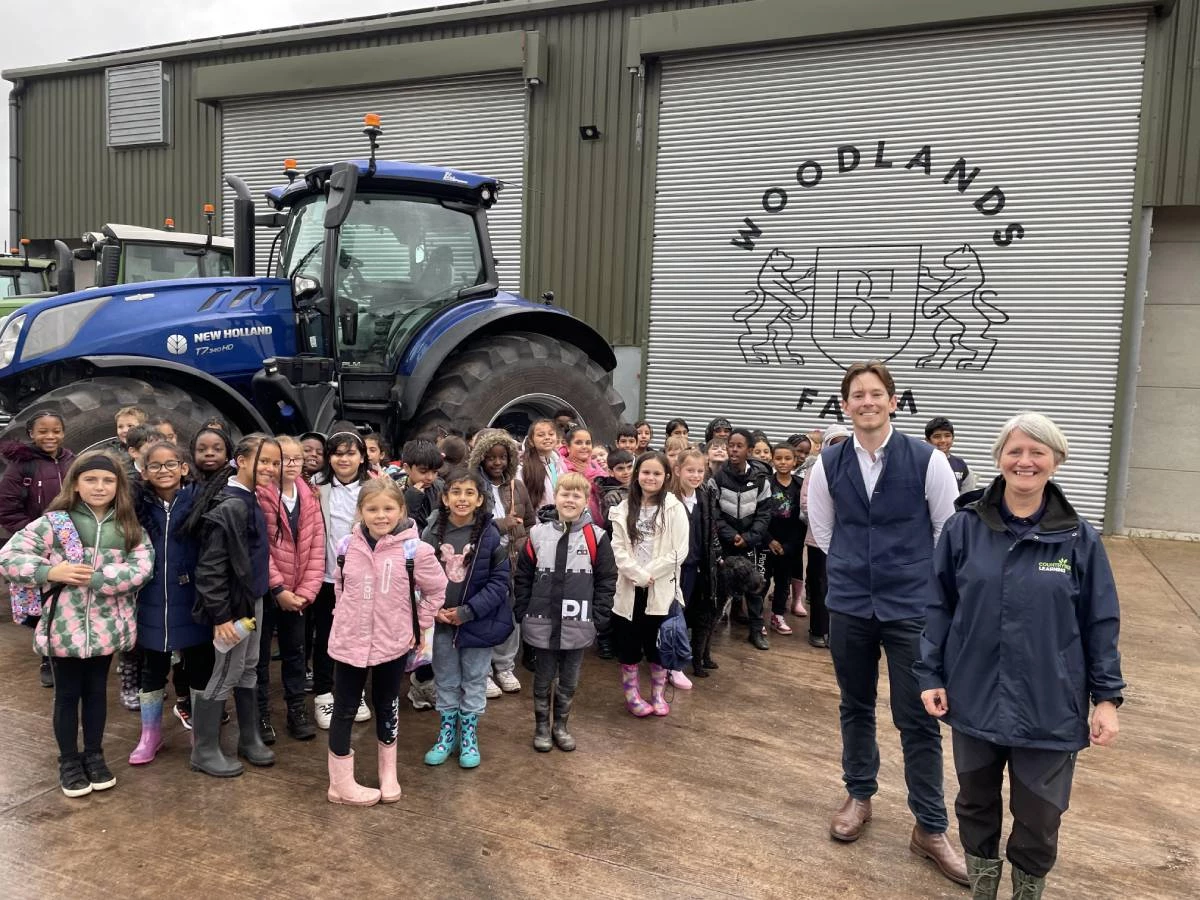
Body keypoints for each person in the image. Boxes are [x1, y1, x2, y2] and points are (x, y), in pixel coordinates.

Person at [916, 412, 1123, 899]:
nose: (1024, 461)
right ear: (999, 459)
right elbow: (938, 606)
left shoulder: (1079, 539)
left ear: (1055, 461)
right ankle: (983, 890)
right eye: (1015, 451)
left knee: (1040, 815)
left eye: (1037, 452)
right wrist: (930, 674)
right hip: (974, 696)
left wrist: (1107, 698)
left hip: (1049, 705)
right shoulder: (964, 528)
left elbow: (1101, 621)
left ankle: (1027, 892)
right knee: (975, 803)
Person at [806, 361, 966, 886]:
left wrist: (916, 583)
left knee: (918, 716)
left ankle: (931, 826)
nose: (867, 402)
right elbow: (824, 533)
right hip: (851, 604)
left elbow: (947, 531)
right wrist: (857, 572)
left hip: (910, 608)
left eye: (877, 394)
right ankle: (859, 795)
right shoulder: (827, 464)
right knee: (854, 704)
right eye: (858, 395)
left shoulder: (928, 461)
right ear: (845, 404)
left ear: (893, 402)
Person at [0, 451, 153, 797]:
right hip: (63, 627)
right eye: (91, 479)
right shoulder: (54, 523)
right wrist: (49, 571)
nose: (99, 487)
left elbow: (142, 569)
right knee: (67, 695)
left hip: (106, 628)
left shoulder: (128, 527)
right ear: (76, 484)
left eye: (107, 480)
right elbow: (9, 557)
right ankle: (69, 760)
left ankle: (95, 756)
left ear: (119, 486)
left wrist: (95, 578)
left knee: (97, 693)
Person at [326, 479, 448, 805]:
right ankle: (339, 783)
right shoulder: (345, 548)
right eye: (372, 509)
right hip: (349, 642)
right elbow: (340, 588)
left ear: (401, 510)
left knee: (387, 704)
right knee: (345, 708)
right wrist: (343, 617)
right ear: (361, 512)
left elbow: (436, 590)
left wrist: (417, 625)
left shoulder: (415, 551)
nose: (381, 516)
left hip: (393, 642)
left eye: (388, 509)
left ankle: (387, 772)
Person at [187, 433, 281, 777]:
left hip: (252, 601)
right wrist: (221, 615)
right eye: (264, 461)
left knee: (250, 666)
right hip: (234, 607)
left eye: (274, 462)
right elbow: (210, 567)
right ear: (241, 460)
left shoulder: (249, 498)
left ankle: (249, 737)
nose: (271, 468)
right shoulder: (231, 505)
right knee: (226, 671)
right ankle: (204, 749)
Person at [513, 472, 617, 751]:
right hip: (542, 621)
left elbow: (607, 579)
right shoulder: (536, 535)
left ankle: (560, 725)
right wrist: (522, 609)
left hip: (579, 621)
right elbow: (522, 576)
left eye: (576, 495)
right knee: (543, 676)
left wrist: (599, 616)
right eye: (565, 494)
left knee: (569, 678)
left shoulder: (597, 537)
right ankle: (541, 728)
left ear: (586, 501)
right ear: (555, 497)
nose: (570, 499)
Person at [421, 467, 512, 769]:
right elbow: (417, 577)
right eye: (456, 492)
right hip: (440, 623)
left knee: (474, 679)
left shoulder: (490, 535)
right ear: (445, 498)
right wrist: (432, 609)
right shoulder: (431, 532)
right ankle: (448, 732)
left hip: (477, 622)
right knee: (446, 679)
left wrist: (467, 612)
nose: (462, 498)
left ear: (479, 500)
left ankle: (469, 733)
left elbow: (500, 583)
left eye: (469, 493)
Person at [129, 441, 209, 766]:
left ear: (184, 468)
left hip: (191, 597)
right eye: (156, 466)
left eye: (170, 464)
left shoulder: (198, 500)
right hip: (151, 599)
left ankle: (201, 733)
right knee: (153, 667)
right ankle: (150, 734)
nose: (164, 471)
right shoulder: (137, 505)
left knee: (199, 666)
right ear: (144, 471)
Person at [255, 435, 324, 744]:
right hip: (268, 592)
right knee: (259, 658)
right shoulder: (260, 496)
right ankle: (261, 714)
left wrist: (306, 592)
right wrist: (278, 588)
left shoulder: (309, 495)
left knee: (295, 653)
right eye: (284, 459)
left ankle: (297, 710)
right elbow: (260, 547)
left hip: (298, 594)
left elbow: (317, 545)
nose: (292, 464)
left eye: (297, 458)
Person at [609, 452, 688, 717]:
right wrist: (637, 574)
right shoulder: (622, 509)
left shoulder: (674, 508)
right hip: (631, 588)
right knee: (630, 644)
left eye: (656, 473)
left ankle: (657, 693)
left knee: (658, 645)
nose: (650, 478)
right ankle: (632, 695)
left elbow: (679, 551)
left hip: (661, 588)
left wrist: (650, 573)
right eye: (645, 472)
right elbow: (618, 549)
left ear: (666, 476)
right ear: (637, 475)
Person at [0, 409, 75, 688]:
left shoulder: (73, 461)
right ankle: (47, 657)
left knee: (65, 601)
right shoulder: (21, 466)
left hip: (70, 544)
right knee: (39, 605)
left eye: (55, 430)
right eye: (43, 431)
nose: (50, 436)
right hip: (36, 546)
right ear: (31, 433)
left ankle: (67, 652)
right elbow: (7, 509)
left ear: (63, 433)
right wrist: (36, 535)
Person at [311, 430, 373, 731]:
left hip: (361, 579)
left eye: (350, 453)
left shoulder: (374, 488)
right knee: (324, 636)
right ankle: (323, 693)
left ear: (361, 456)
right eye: (337, 453)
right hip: (325, 577)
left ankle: (354, 691)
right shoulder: (316, 487)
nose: (344, 459)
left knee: (358, 636)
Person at [469, 428, 535, 697]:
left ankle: (505, 666)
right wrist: (499, 524)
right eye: (491, 457)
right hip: (485, 561)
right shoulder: (473, 487)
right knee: (485, 613)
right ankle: (483, 670)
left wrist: (525, 543)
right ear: (481, 459)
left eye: (503, 457)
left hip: (513, 559)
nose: (497, 463)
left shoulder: (516, 486)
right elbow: (468, 524)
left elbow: (530, 521)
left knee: (510, 612)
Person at [713, 428, 772, 649]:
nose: (734, 449)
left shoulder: (760, 480)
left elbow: (765, 513)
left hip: (751, 542)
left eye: (739, 446)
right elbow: (714, 511)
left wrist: (749, 537)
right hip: (727, 542)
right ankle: (718, 621)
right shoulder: (718, 477)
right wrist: (730, 534)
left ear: (749, 450)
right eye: (731, 445)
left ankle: (756, 631)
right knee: (722, 583)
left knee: (754, 586)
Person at [799, 423, 850, 648]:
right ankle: (818, 629)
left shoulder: (855, 468)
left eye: (844, 443)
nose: (840, 448)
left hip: (848, 540)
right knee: (821, 585)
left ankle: (839, 632)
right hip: (820, 538)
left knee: (843, 586)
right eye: (834, 443)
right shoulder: (818, 468)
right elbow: (806, 501)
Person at [673, 447, 721, 678]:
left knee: (687, 611)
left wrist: (712, 558)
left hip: (696, 566)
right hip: (674, 567)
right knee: (673, 611)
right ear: (677, 470)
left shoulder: (704, 496)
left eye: (700, 470)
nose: (695, 475)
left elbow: (710, 531)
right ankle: (671, 662)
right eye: (690, 470)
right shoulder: (670, 498)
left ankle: (684, 656)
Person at [766, 442, 805, 635]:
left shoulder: (800, 484)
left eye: (787, 458)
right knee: (763, 580)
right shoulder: (765, 483)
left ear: (795, 461)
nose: (783, 462)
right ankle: (757, 619)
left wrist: (789, 545)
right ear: (772, 460)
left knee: (783, 581)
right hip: (767, 542)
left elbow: (803, 519)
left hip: (789, 544)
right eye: (779, 458)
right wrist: (768, 540)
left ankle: (777, 615)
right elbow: (758, 514)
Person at [557, 425, 607, 523]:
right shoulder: (560, 467)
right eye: (578, 443)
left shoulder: (595, 465)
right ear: (568, 447)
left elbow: (605, 491)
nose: (584, 446)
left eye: (588, 443)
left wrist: (588, 474)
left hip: (596, 524)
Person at [519, 418, 562, 512]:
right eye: (541, 435)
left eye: (551, 434)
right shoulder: (523, 467)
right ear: (531, 441)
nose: (547, 437)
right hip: (537, 522)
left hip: (557, 520)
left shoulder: (556, 464)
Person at [925, 416, 977, 494]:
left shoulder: (960, 465)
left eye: (947, 435)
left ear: (953, 438)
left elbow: (964, 498)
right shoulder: (921, 464)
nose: (943, 440)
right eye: (937, 436)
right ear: (928, 440)